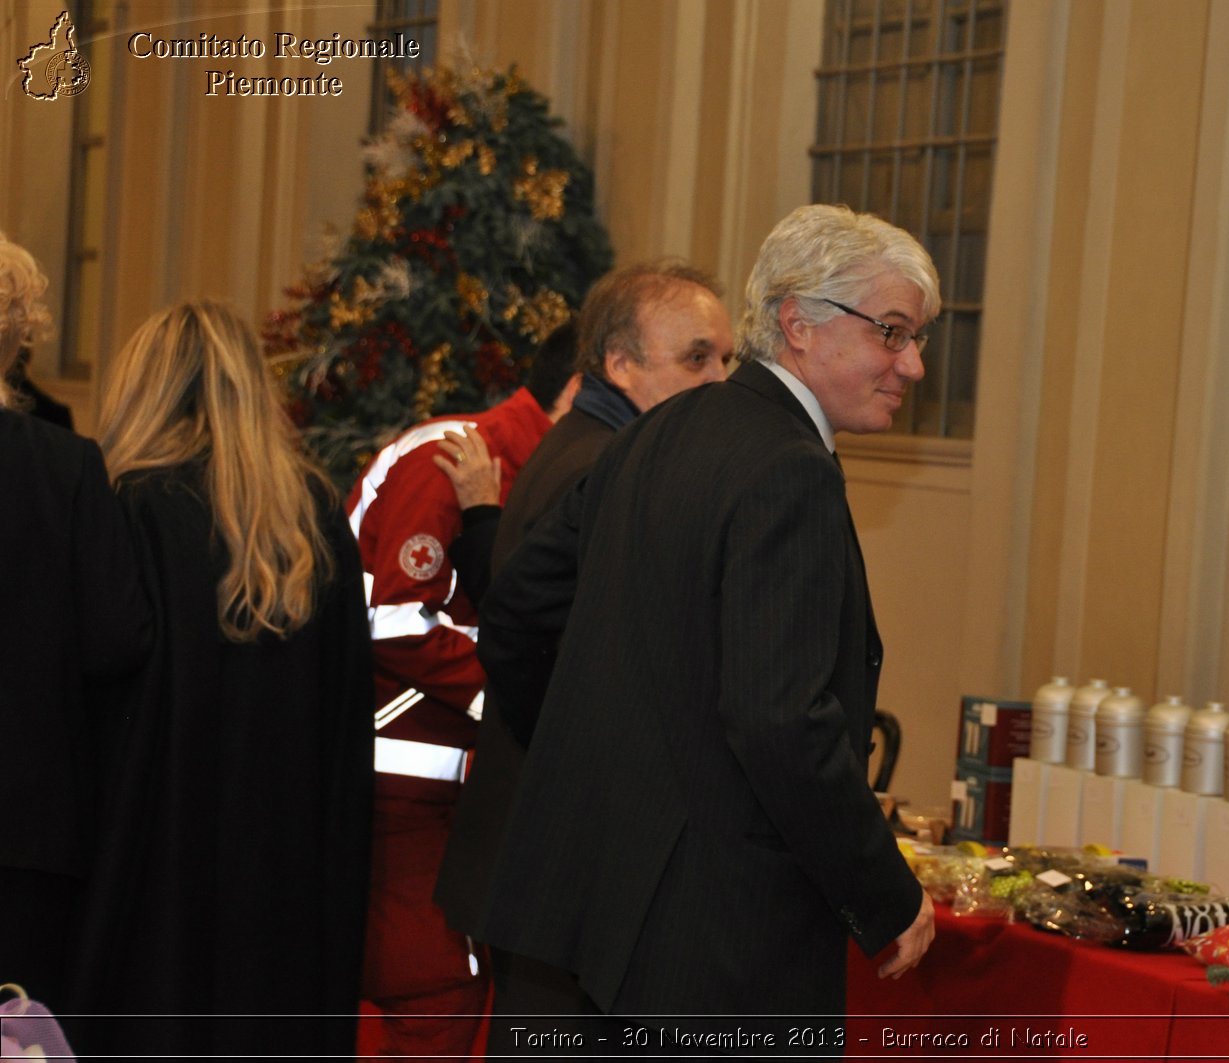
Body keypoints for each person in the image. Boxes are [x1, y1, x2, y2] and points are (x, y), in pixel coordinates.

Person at [474, 204, 938, 1026]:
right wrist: (885, 894)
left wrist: (601, 758)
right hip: (717, 944)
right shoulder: (790, 468)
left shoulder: (659, 430)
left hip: (594, 912)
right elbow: (780, 721)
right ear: (799, 323)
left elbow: (516, 607)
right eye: (894, 332)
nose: (915, 365)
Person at [431, 261, 732, 1037]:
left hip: (538, 844)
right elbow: (529, 635)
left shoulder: (587, 439)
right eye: (696, 358)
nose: (721, 381)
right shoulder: (610, 464)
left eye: (727, 359)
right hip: (564, 855)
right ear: (619, 363)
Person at [71, 300, 373, 1058]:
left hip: (153, 880)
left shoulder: (129, 504)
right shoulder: (313, 519)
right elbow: (347, 723)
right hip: (285, 884)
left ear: (145, 389)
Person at [347, 323, 580, 1061]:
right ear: (581, 386)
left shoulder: (544, 465)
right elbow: (393, 622)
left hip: (460, 803)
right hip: (400, 805)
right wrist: (519, 690)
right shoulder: (455, 455)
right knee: (438, 996)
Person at [0, 234, 149, 1009]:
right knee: (17, 1035)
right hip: (29, 824)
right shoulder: (68, 467)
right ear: (22, 331)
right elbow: (118, 638)